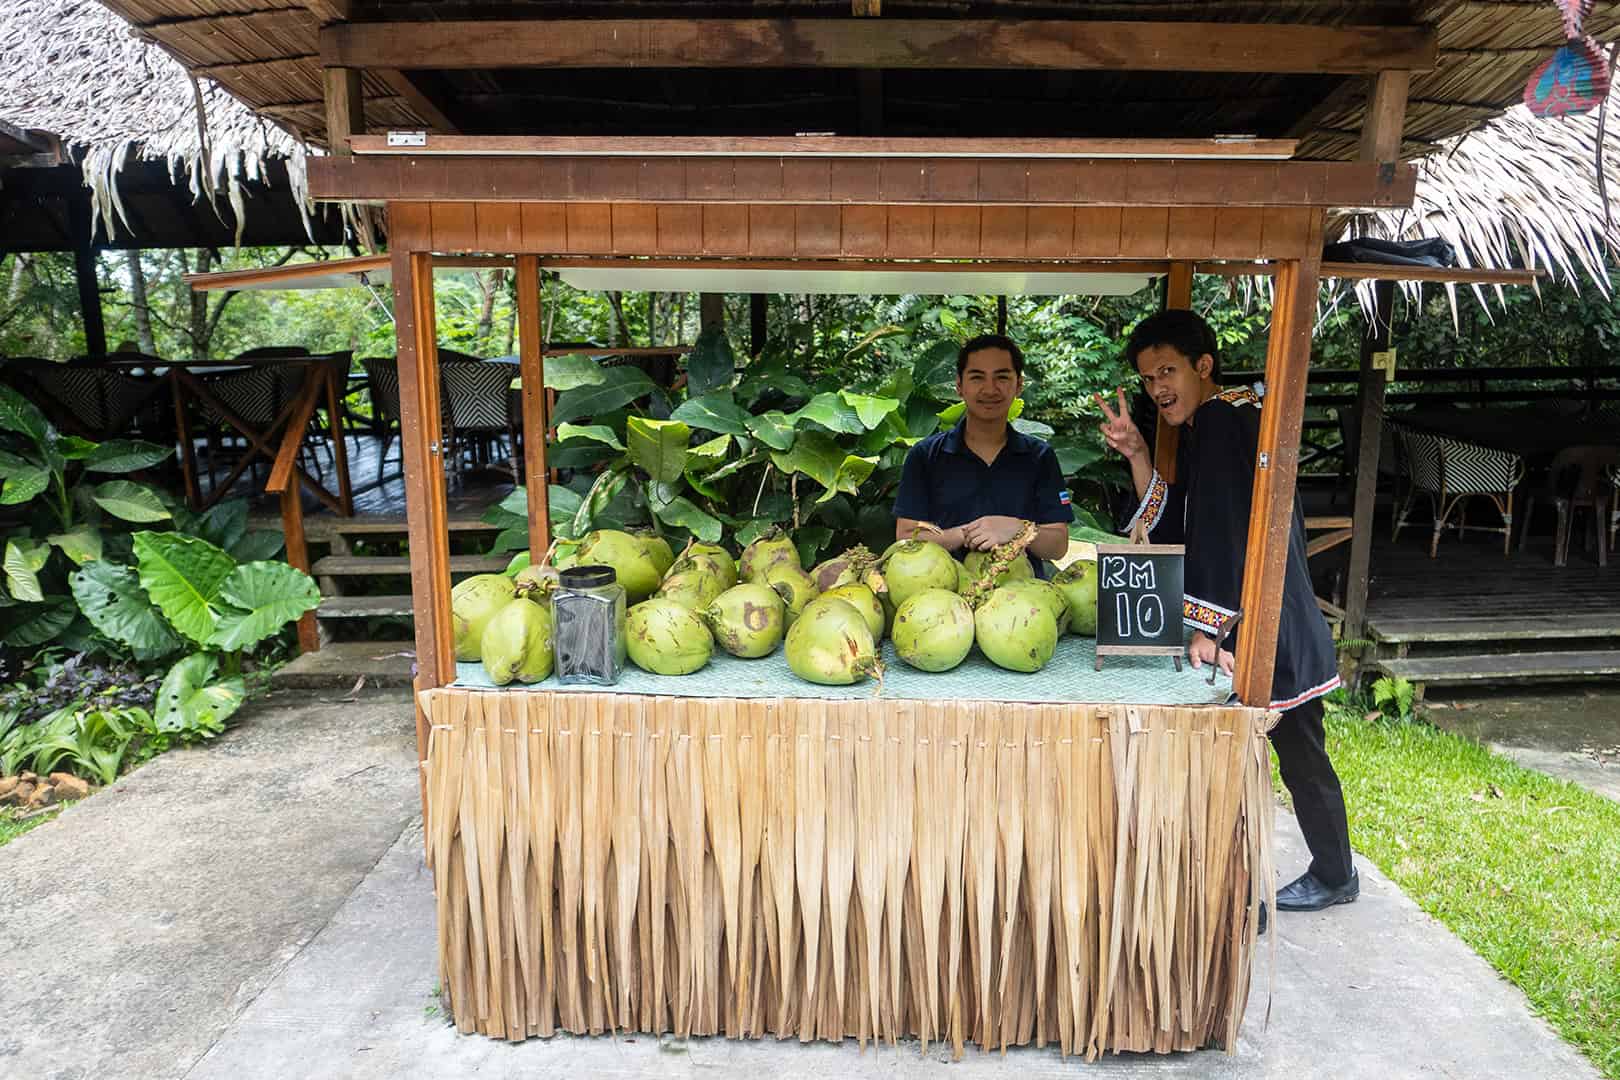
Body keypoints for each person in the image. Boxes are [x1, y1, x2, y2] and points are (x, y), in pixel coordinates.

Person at [1098, 309, 1357, 914]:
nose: (1158, 387)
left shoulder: (1218, 424)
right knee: (1299, 752)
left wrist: (1206, 629)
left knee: (1239, 764)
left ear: (1203, 367)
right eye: (1147, 377)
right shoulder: (1232, 414)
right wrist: (1138, 450)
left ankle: (1242, 896)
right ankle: (1335, 870)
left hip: (1255, 624)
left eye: (1168, 371)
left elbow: (1216, 533)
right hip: (1277, 614)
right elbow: (1184, 512)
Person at [893, 334, 1072, 571]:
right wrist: (967, 533)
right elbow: (906, 537)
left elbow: (1058, 545)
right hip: (943, 596)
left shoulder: (1039, 457)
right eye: (977, 377)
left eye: (1002, 377)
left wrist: (1018, 529)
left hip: (1024, 596)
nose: (990, 389)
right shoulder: (925, 456)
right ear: (959, 386)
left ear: (1018, 385)